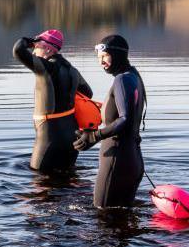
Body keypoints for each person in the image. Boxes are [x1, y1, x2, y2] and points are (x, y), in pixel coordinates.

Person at [74, 35, 146, 208]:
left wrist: (95, 136)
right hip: (132, 160)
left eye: (105, 56)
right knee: (123, 222)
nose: (101, 63)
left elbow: (125, 119)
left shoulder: (122, 80)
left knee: (102, 217)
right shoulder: (134, 77)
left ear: (117, 54)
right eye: (99, 58)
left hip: (117, 162)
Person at [12, 29, 92, 172]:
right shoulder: (72, 70)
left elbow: (18, 50)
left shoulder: (45, 68)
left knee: (38, 180)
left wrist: (28, 41)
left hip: (49, 136)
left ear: (48, 49)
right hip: (72, 135)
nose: (34, 51)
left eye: (37, 47)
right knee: (68, 180)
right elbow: (88, 93)